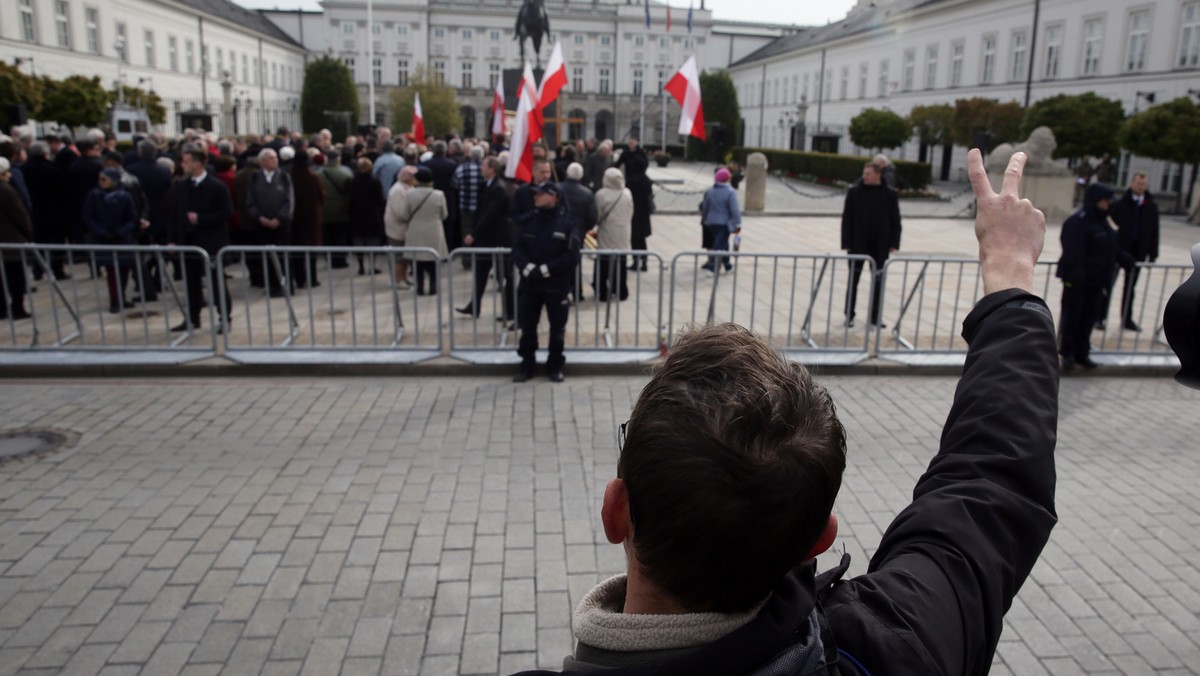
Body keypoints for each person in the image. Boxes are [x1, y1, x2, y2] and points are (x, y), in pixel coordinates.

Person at [514, 149, 1058, 676]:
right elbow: (990, 485)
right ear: (818, 539)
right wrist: (1010, 275)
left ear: (615, 512)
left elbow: (990, 486)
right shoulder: (896, 647)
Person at [511, 182, 581, 383]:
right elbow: (517, 248)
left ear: (553, 197)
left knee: (557, 329)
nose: (535, 197)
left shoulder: (567, 224)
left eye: (540, 194)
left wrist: (547, 270)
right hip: (530, 285)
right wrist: (527, 268)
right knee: (528, 327)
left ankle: (555, 365)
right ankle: (527, 364)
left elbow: (571, 256)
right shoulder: (527, 221)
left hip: (555, 286)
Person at [165, 149, 233, 333]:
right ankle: (193, 318)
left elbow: (226, 213)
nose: (183, 165)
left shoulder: (217, 187)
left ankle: (225, 318)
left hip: (210, 242)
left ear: (197, 163)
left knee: (217, 283)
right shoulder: (180, 187)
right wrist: (172, 240)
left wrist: (201, 219)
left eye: (186, 162)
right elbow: (173, 215)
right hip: (187, 242)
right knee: (191, 283)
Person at [1056, 182, 1123, 371]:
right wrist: (1076, 275)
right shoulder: (1079, 221)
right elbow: (1072, 251)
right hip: (1078, 282)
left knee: (1088, 319)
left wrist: (1124, 258)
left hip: (1096, 282)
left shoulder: (1102, 221)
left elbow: (1110, 247)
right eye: (1105, 200)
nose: (1109, 204)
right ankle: (1068, 353)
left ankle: (1082, 353)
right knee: (1072, 318)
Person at [841, 161, 901, 328]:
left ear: (878, 174)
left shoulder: (889, 194)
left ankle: (875, 317)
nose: (865, 176)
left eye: (868, 173)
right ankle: (849, 315)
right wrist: (846, 242)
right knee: (853, 280)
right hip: (857, 245)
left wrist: (894, 242)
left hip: (880, 246)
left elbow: (895, 219)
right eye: (864, 173)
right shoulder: (854, 192)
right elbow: (847, 219)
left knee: (879, 282)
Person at [457, 156, 514, 321]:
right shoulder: (488, 185)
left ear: (492, 169)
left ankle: (510, 311)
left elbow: (490, 215)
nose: (481, 168)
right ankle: (474, 306)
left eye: (483, 166)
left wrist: (474, 234)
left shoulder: (498, 188)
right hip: (488, 239)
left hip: (497, 239)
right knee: (481, 273)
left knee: (505, 275)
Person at [1107, 172, 1159, 332]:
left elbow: (1155, 231)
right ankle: (1100, 317)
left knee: (1130, 287)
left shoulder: (1150, 206)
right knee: (1108, 285)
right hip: (1119, 250)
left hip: (1138, 252)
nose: (1141, 187)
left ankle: (1127, 319)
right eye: (1138, 184)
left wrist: (1153, 253)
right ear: (1131, 184)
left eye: (1144, 184)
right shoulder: (1119, 204)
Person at [82, 168, 139, 313]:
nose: (101, 182)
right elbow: (89, 217)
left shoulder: (124, 196)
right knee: (112, 270)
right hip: (104, 238)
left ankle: (121, 296)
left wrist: (121, 232)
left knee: (124, 269)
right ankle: (115, 299)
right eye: (100, 179)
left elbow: (132, 217)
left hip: (122, 237)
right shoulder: (94, 195)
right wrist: (101, 232)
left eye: (104, 179)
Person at [244, 148, 294, 297]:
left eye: (275, 158)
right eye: (271, 158)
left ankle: (287, 285)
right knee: (267, 257)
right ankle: (272, 285)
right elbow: (250, 201)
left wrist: (279, 218)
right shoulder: (255, 178)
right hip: (262, 224)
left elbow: (289, 200)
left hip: (281, 224)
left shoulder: (284, 176)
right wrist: (260, 217)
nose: (275, 161)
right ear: (262, 162)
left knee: (283, 256)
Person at [396, 166, 449, 296]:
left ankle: (419, 286)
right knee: (433, 260)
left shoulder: (410, 194)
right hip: (434, 230)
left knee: (418, 260)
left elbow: (404, 214)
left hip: (416, 230)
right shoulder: (439, 194)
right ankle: (433, 287)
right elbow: (444, 214)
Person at [592, 167, 632, 302]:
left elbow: (598, 214)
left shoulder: (601, 194)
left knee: (604, 262)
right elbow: (631, 212)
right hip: (623, 231)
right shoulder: (627, 192)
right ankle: (621, 290)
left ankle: (602, 291)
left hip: (607, 232)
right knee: (621, 262)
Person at [0, 157, 33, 320]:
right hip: (11, 241)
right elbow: (19, 215)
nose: (9, 175)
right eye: (6, 173)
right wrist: (27, 233)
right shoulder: (6, 191)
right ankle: (17, 307)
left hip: (7, 241)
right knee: (15, 278)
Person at [612, 137, 652, 271]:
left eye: (633, 141)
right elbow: (618, 164)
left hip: (641, 212)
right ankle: (636, 261)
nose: (631, 143)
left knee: (639, 237)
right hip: (634, 212)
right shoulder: (626, 154)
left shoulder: (640, 155)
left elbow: (644, 163)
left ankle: (643, 262)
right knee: (635, 237)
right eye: (630, 141)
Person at [559, 162, 597, 301]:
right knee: (576, 262)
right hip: (577, 233)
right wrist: (585, 229)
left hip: (559, 231)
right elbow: (592, 217)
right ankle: (577, 292)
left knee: (559, 261)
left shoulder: (558, 189)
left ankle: (562, 290)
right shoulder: (587, 193)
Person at [288, 150, 326, 289]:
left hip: (295, 218)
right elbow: (321, 196)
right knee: (311, 250)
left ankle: (300, 279)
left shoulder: (290, 177)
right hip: (311, 218)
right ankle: (312, 278)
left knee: (297, 250)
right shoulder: (313, 178)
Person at [699, 167, 742, 273]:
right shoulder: (730, 192)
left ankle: (727, 265)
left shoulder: (710, 191)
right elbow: (735, 210)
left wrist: (704, 219)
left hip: (711, 222)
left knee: (723, 243)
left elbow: (705, 207)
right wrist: (737, 223)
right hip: (724, 222)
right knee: (719, 244)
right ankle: (712, 266)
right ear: (728, 179)